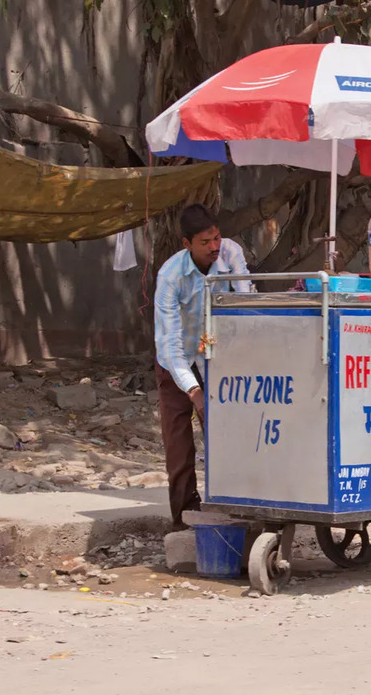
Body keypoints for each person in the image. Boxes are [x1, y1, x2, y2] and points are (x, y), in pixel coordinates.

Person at [154, 203, 255, 528]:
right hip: (176, 363)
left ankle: (235, 506)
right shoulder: (170, 276)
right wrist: (194, 391)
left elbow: (245, 303)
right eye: (204, 242)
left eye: (216, 237)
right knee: (179, 443)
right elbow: (168, 344)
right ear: (186, 244)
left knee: (228, 434)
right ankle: (184, 518)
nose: (214, 247)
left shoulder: (231, 253)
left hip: (218, 358)